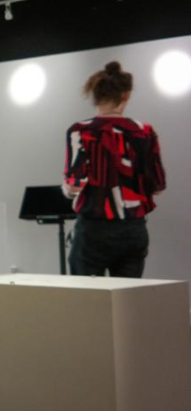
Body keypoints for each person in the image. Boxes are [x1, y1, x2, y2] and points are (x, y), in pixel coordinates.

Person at [63, 61, 165, 278]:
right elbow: (156, 186)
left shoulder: (81, 131)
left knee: (88, 301)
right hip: (133, 229)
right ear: (125, 96)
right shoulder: (145, 131)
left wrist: (66, 189)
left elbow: (75, 185)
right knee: (127, 301)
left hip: (93, 230)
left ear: (95, 96)